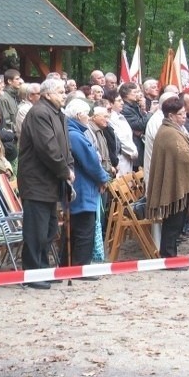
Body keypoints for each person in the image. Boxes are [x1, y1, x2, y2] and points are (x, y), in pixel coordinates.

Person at [17, 78, 73, 289]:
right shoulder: (39, 113)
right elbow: (47, 148)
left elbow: (64, 146)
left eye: (64, 91)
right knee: (36, 230)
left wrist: (69, 166)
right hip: (37, 181)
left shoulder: (58, 114)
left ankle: (43, 268)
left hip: (51, 181)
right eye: (60, 91)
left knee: (49, 229)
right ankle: (32, 273)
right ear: (47, 94)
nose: (64, 94)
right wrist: (64, 170)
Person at [146, 97, 189, 263]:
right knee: (173, 222)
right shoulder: (169, 133)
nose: (184, 116)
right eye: (180, 114)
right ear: (171, 115)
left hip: (176, 181)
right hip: (173, 184)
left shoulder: (172, 130)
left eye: (184, 113)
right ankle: (168, 255)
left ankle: (170, 253)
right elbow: (183, 157)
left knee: (176, 221)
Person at [63, 99, 109, 269]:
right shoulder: (75, 135)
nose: (88, 118)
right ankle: (81, 267)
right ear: (78, 115)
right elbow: (91, 162)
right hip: (82, 189)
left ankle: (70, 265)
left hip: (80, 187)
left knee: (76, 229)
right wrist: (103, 178)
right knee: (84, 229)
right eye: (86, 114)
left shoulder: (73, 132)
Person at [107, 90, 137, 175]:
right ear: (111, 104)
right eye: (119, 101)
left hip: (128, 159)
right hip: (121, 159)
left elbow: (128, 137)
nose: (122, 103)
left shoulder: (120, 116)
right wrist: (133, 152)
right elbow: (120, 139)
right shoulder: (111, 119)